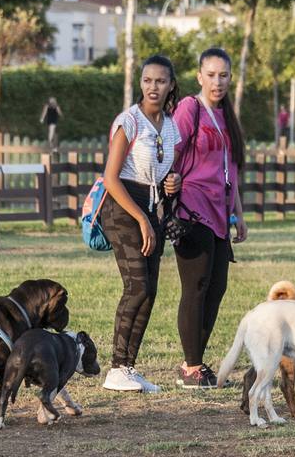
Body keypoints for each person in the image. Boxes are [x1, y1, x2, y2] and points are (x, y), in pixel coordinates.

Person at [99, 55, 183, 393]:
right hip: (123, 210)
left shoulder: (171, 125)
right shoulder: (129, 121)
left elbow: (160, 173)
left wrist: (171, 184)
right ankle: (116, 367)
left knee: (150, 292)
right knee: (136, 287)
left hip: (153, 208)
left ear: (170, 86)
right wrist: (141, 220)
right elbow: (110, 178)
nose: (153, 87)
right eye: (147, 80)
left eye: (160, 81)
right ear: (141, 83)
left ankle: (128, 368)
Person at [170, 47, 248, 389]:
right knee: (196, 287)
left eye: (224, 75)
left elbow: (230, 171)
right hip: (191, 209)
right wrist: (169, 182)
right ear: (199, 76)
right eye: (211, 75)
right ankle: (190, 368)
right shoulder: (190, 108)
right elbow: (170, 150)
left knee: (217, 288)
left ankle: (197, 364)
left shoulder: (226, 117)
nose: (218, 81)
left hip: (220, 214)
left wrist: (239, 215)